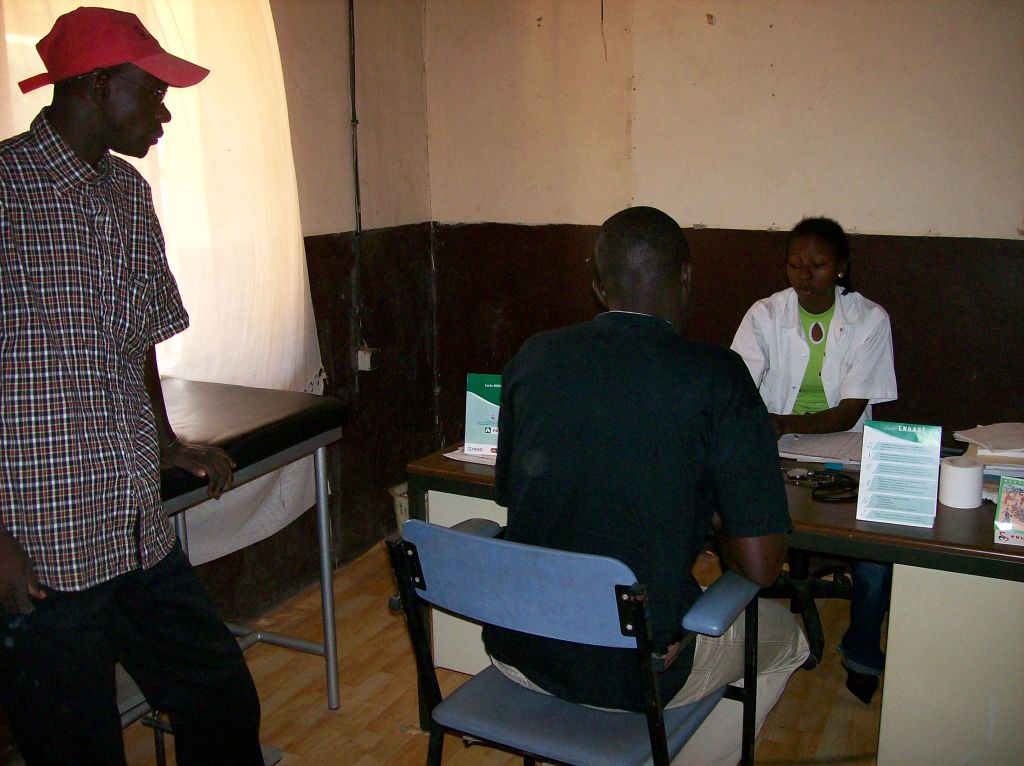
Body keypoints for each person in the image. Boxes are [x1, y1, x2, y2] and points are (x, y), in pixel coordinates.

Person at [0, 8, 263, 764]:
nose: (164, 113)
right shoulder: (8, 192)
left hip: (135, 531)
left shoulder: (128, 194)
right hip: (44, 548)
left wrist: (167, 442)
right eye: (152, 93)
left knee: (221, 699)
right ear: (94, 84)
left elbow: (139, 335)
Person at [482, 206, 809, 766]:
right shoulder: (718, 375)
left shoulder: (534, 355)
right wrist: (716, 517)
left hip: (521, 650)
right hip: (641, 669)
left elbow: (521, 496)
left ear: (597, 288)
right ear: (687, 278)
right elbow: (760, 566)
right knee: (786, 641)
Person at [730, 216, 897, 704]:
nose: (805, 276)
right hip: (775, 451)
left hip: (844, 451)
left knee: (876, 550)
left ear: (841, 267)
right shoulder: (765, 314)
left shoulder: (870, 319)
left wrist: (782, 423)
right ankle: (739, 640)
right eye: (795, 264)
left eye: (818, 265)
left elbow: (850, 412)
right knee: (732, 519)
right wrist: (761, 427)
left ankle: (862, 653)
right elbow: (737, 385)